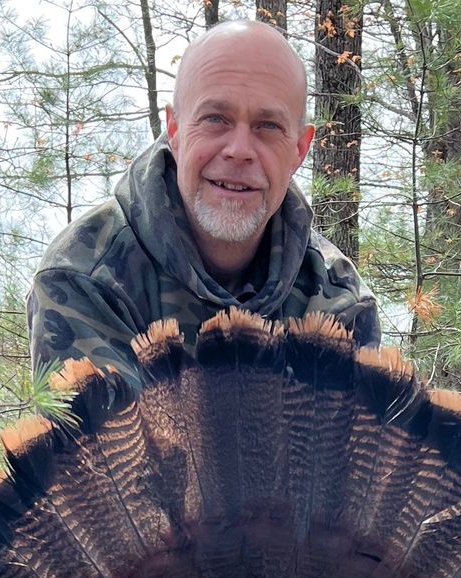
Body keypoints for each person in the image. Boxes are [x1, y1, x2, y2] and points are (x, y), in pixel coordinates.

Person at [28, 19, 380, 387]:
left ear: (299, 150)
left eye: (268, 126)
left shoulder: (339, 299)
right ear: (175, 132)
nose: (239, 150)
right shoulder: (86, 277)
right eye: (215, 119)